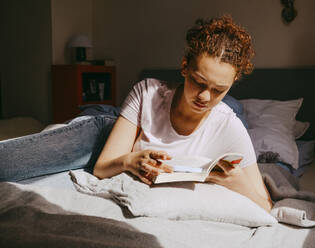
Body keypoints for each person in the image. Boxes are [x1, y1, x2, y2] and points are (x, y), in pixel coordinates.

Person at [93, 16, 273, 212]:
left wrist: (238, 184)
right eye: (199, 82)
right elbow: (101, 168)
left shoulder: (229, 126)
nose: (205, 97)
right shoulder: (146, 94)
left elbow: (266, 205)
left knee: (234, 110)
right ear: (185, 66)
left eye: (218, 90)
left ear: (234, 81)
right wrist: (129, 161)